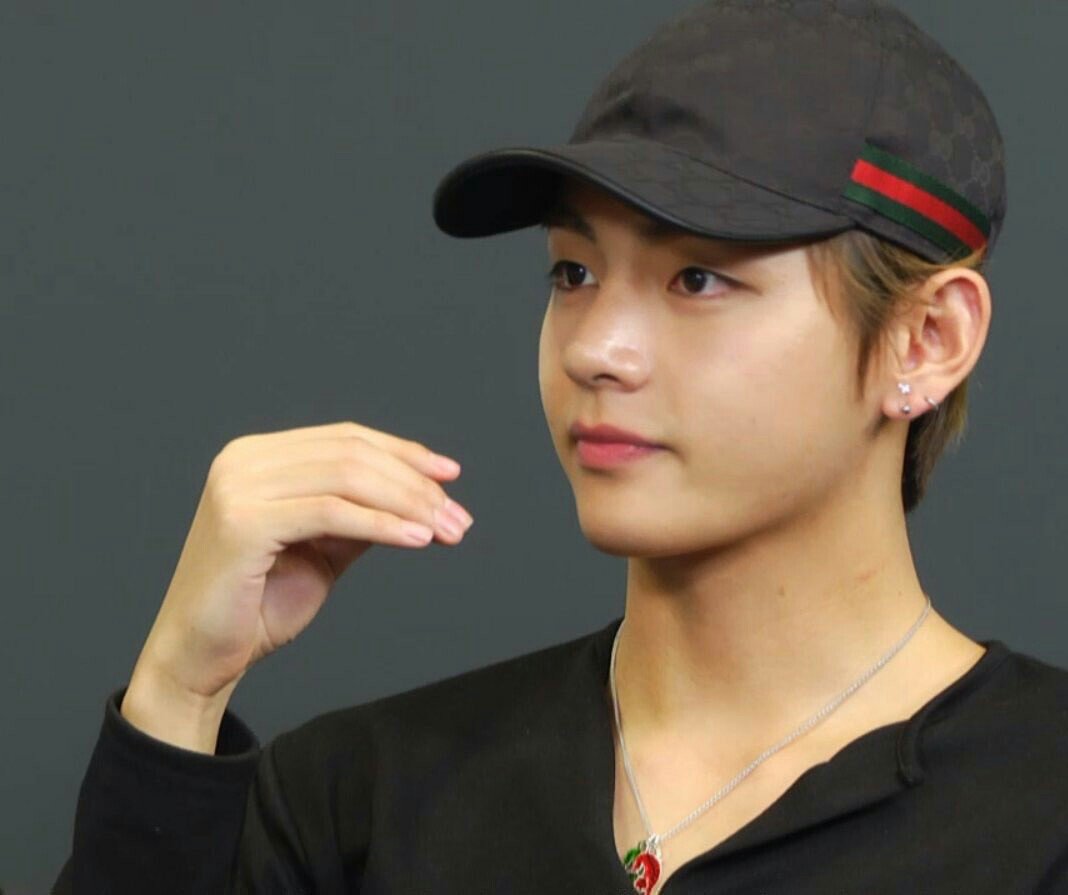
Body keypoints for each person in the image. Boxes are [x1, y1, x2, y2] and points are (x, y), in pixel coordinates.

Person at [53, 1, 1068, 893]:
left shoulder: (1040, 809)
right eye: (573, 273)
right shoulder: (361, 799)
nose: (595, 350)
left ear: (927, 340)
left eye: (698, 279)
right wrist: (179, 692)